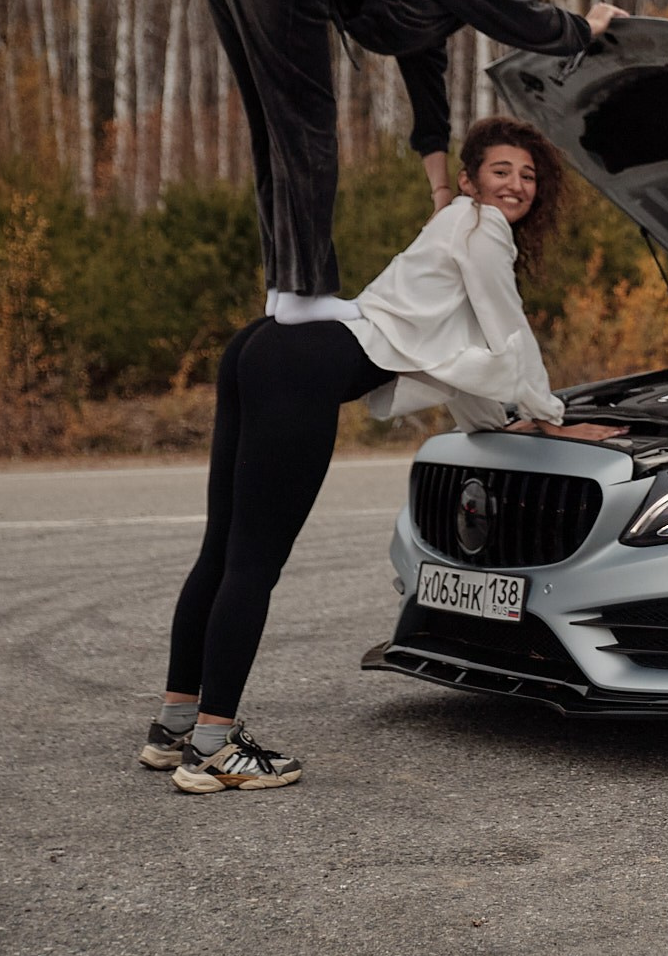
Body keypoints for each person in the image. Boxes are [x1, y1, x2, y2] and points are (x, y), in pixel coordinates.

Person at [144, 117, 610, 794]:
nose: (516, 184)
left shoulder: (452, 226)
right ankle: (214, 747)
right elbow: (509, 337)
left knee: (223, 549)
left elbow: (461, 366)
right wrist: (550, 417)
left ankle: (173, 726)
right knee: (253, 562)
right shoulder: (482, 229)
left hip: (264, 344)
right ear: (471, 179)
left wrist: (516, 416)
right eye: (502, 170)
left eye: (529, 175)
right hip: (305, 365)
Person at [198, 0, 627, 326]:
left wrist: (441, 189)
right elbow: (526, 18)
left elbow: (427, 85)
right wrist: (587, 29)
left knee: (275, 133)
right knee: (306, 128)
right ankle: (306, 295)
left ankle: (283, 291)